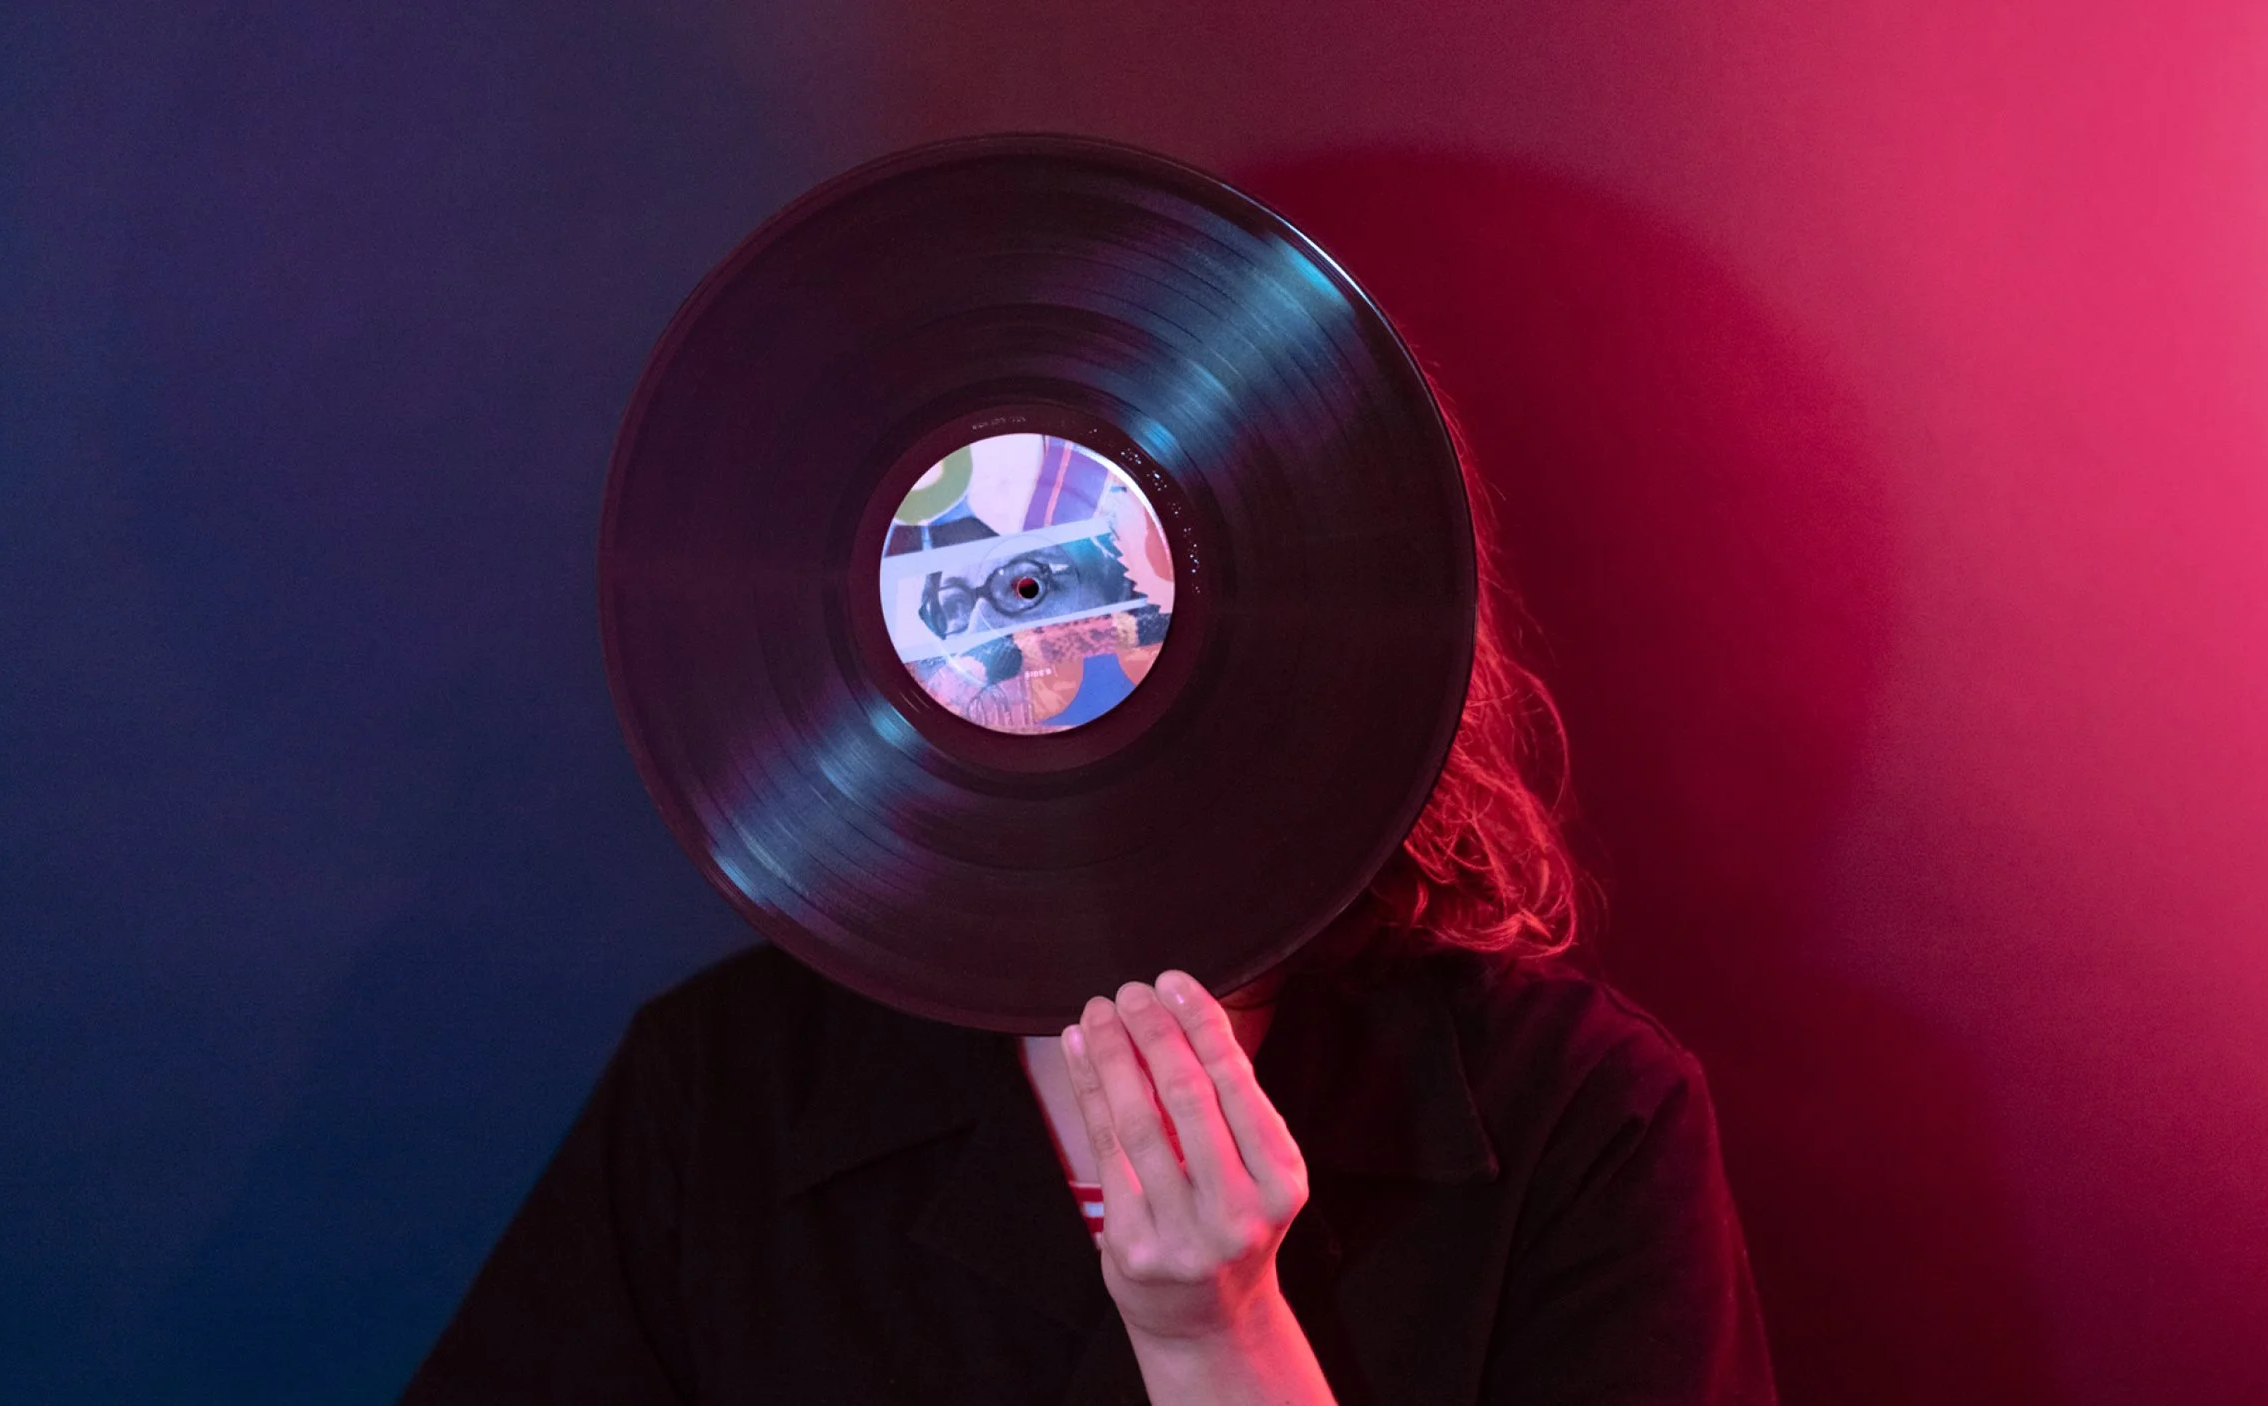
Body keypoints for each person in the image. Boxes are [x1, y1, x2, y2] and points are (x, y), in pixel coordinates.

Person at [404, 459, 1778, 1405]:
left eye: (1078, 582)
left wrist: (1222, 1335)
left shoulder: (1587, 1117)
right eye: (998, 589)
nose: (1032, 632)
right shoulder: (721, 1087)